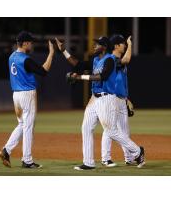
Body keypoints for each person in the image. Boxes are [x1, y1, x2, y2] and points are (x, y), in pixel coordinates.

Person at [56, 36, 145, 170]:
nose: (94, 46)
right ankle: (88, 162)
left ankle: (138, 151)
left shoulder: (110, 60)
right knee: (86, 128)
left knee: (111, 131)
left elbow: (102, 76)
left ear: (104, 47)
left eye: (97, 44)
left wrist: (79, 77)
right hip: (94, 98)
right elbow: (78, 64)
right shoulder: (96, 60)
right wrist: (64, 51)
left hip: (107, 98)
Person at [0, 31, 54, 168]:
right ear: (24, 43)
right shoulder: (25, 59)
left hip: (16, 95)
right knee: (28, 126)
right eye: (30, 42)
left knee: (22, 125)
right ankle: (27, 160)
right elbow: (44, 71)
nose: (32, 44)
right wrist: (51, 53)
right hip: (27, 94)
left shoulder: (11, 57)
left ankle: (6, 150)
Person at [101, 35, 136, 166]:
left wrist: (126, 98)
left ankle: (129, 158)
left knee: (124, 131)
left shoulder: (117, 60)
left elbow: (121, 82)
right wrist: (130, 44)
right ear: (116, 46)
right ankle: (105, 158)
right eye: (122, 43)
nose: (124, 45)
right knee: (109, 129)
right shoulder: (112, 60)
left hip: (121, 99)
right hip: (112, 98)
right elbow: (127, 59)